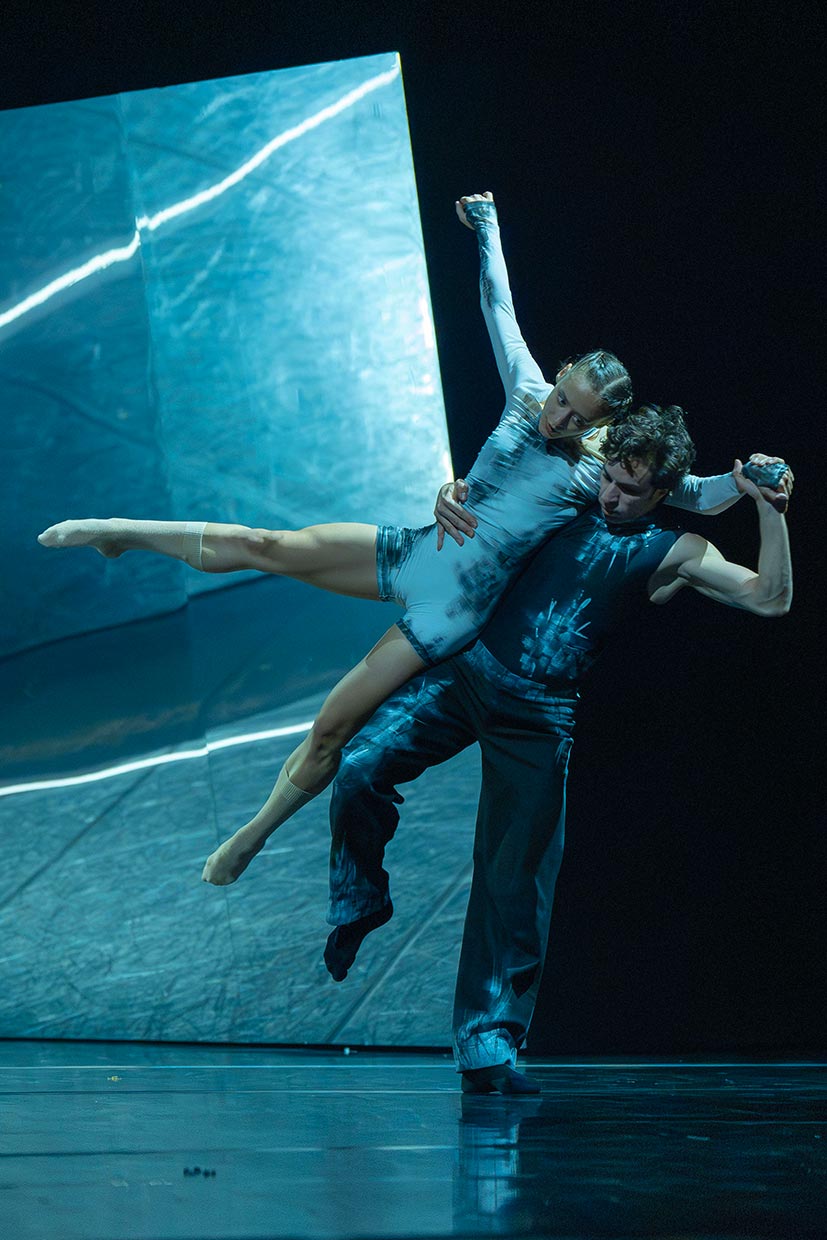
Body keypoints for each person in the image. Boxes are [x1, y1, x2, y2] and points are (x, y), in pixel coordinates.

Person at [36, 195, 775, 887]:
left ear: (601, 423)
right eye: (560, 399)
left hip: (446, 613)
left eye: (577, 417)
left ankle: (253, 834)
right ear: (556, 380)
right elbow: (498, 306)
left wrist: (748, 483)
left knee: (333, 725)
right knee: (268, 544)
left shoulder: (602, 465)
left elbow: (697, 493)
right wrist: (486, 226)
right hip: (416, 550)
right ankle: (119, 533)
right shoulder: (526, 394)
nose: (558, 418)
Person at [323, 404, 793, 1095]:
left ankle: (487, 1045)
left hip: (540, 717)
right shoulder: (569, 494)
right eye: (610, 478)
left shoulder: (674, 550)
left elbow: (768, 600)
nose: (611, 496)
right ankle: (360, 899)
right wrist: (452, 491)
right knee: (358, 768)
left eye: (630, 490)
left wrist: (771, 512)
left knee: (514, 880)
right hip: (468, 674)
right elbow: (489, 488)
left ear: (662, 492)